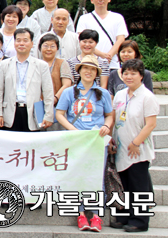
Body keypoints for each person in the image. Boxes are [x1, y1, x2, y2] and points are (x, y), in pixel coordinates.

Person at [55, 54, 112, 232]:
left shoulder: (103, 93)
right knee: (77, 176)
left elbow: (110, 115)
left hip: (96, 141)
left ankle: (96, 216)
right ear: (79, 70)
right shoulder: (69, 92)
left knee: (97, 179)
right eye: (85, 68)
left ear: (96, 73)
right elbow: (59, 114)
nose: (89, 71)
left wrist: (106, 126)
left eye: (92, 69)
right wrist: (73, 130)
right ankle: (80, 214)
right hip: (76, 141)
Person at [111, 59, 158, 232]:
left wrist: (136, 142)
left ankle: (140, 221)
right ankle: (124, 216)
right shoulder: (120, 95)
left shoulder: (147, 97)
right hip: (121, 147)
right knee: (124, 185)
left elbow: (150, 124)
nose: (129, 76)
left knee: (138, 186)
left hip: (137, 149)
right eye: (126, 73)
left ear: (141, 76)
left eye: (133, 73)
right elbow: (115, 118)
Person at [0, 28, 55, 132]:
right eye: (18, 40)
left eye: (25, 40)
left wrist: (48, 115)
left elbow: (48, 93)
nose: (21, 43)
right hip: (10, 112)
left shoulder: (42, 66)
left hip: (32, 112)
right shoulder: (4, 64)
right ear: (14, 43)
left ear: (32, 44)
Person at [76, 0, 129, 71]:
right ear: (92, 0)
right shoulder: (84, 18)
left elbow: (121, 39)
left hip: (113, 63)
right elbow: (81, 40)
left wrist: (109, 55)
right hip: (90, 64)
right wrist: (101, 55)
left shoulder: (118, 17)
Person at [37, 34, 73, 129]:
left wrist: (55, 98)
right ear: (40, 48)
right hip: (38, 105)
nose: (49, 49)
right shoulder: (36, 64)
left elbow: (67, 84)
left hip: (58, 105)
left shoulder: (62, 63)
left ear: (57, 48)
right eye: (45, 46)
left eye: (52, 46)